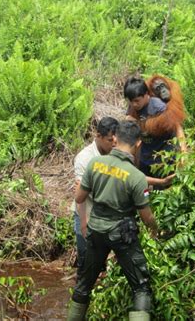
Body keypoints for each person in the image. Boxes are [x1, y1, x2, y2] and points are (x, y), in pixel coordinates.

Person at [67, 121, 159, 321]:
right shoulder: (136, 177)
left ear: (116, 139)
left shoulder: (95, 164)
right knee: (141, 287)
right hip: (122, 235)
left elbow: (79, 198)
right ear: (138, 144)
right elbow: (146, 216)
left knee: (84, 284)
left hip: (96, 231)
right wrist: (156, 230)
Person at [71, 117, 119, 275]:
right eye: (109, 140)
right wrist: (84, 225)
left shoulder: (115, 153)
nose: (114, 143)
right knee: (87, 260)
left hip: (105, 213)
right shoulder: (85, 158)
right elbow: (80, 195)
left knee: (103, 258)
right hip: (86, 211)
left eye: (115, 139)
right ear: (98, 136)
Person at [124, 76, 184, 188]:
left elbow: (176, 126)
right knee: (143, 189)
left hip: (163, 159)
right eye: (159, 88)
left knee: (162, 188)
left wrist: (183, 152)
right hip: (146, 158)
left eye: (163, 86)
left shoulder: (159, 105)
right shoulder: (136, 101)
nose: (134, 104)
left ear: (147, 94)